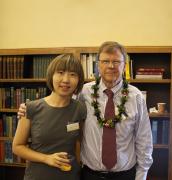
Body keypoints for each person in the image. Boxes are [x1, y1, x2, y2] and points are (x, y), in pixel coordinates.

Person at [18, 41, 153, 180]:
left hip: (125, 175)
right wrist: (28, 109)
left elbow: (144, 140)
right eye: (105, 61)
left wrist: (141, 176)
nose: (111, 66)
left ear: (124, 65)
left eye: (117, 61)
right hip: (89, 175)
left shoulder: (136, 97)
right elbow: (59, 100)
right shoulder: (83, 92)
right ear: (98, 65)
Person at [13, 54, 86, 180]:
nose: (66, 80)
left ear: (79, 80)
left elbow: (79, 143)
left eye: (73, 74)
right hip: (38, 175)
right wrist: (46, 158)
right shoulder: (31, 108)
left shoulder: (80, 108)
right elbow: (17, 147)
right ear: (51, 75)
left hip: (70, 175)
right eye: (60, 72)